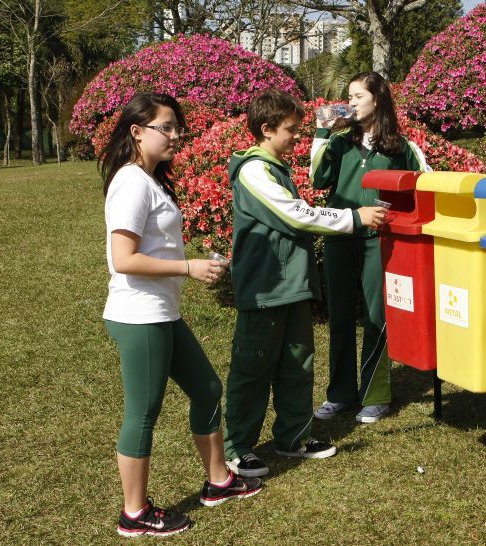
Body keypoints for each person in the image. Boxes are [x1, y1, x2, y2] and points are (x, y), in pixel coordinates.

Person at [100, 92, 263, 538]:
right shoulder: (131, 182)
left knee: (207, 388)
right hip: (140, 315)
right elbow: (123, 258)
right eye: (166, 127)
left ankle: (218, 481)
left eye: (178, 128)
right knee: (143, 413)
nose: (176, 135)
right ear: (137, 132)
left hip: (161, 312)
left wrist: (187, 264)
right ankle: (134, 513)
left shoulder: (149, 179)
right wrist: (187, 267)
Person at [223, 90, 387, 477]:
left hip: (292, 286)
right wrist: (355, 218)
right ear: (266, 129)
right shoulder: (253, 170)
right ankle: (238, 448)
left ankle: (294, 437)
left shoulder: (275, 167)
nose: (297, 137)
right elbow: (296, 215)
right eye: (291, 130)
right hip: (265, 290)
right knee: (253, 369)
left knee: (297, 364)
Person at [309, 71, 430, 424]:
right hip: (340, 238)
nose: (350, 103)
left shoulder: (401, 147)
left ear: (377, 99)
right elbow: (318, 180)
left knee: (377, 317)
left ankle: (376, 395)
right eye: (349, 97)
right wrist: (322, 132)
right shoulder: (339, 143)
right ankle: (340, 394)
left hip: (380, 242)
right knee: (340, 317)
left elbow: (423, 186)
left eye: (358, 96)